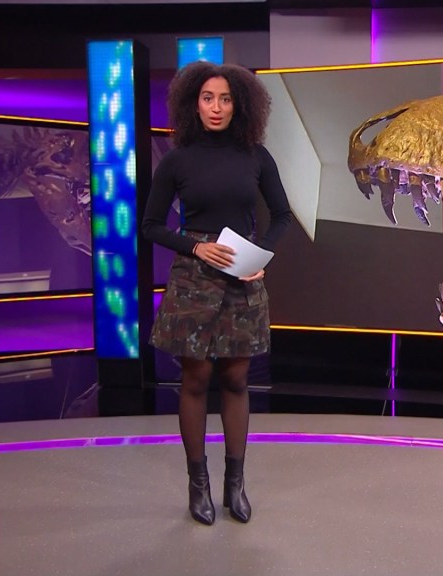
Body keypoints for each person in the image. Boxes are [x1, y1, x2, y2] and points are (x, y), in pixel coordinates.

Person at [141, 61, 293, 525]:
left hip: (241, 279)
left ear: (239, 105)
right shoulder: (178, 160)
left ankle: (235, 485)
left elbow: (281, 215)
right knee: (195, 380)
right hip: (193, 279)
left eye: (225, 99)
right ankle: (198, 485)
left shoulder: (255, 156)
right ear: (194, 103)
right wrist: (196, 247)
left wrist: (262, 258)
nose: (216, 107)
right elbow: (151, 226)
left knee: (236, 380)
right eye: (208, 98)